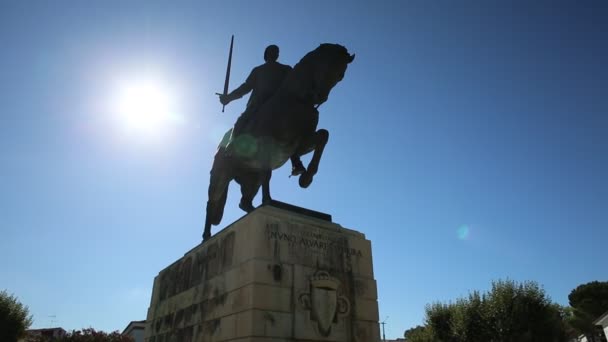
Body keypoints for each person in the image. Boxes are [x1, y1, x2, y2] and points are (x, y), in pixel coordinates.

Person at [219, 44, 305, 176]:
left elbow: (295, 85)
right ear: (268, 55)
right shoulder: (260, 70)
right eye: (272, 52)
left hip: (274, 106)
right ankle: (232, 147)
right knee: (241, 121)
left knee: (296, 126)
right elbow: (245, 88)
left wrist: (228, 98)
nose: (274, 54)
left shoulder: (285, 69)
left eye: (275, 52)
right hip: (259, 105)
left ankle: (295, 160)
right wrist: (229, 97)